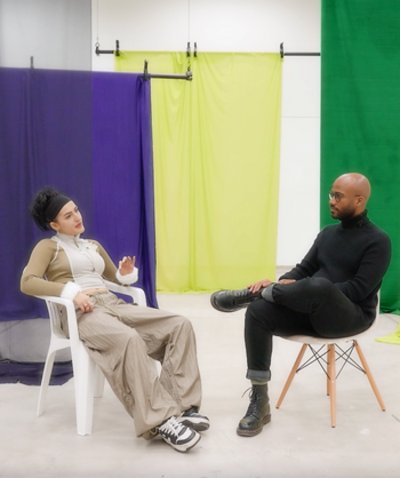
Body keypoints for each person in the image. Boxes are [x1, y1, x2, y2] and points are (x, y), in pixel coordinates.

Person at [21, 187, 209, 453]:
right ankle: (160, 420)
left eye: (76, 210)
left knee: (179, 325)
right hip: (80, 313)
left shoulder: (92, 245)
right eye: (68, 215)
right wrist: (71, 293)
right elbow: (28, 282)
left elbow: (114, 279)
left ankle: (183, 406)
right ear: (55, 224)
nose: (77, 217)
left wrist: (124, 274)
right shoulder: (48, 247)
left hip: (111, 303)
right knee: (129, 339)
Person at [210, 172, 391, 437]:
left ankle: (258, 293)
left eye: (338, 196)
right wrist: (283, 284)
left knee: (320, 286)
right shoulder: (328, 234)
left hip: (349, 317)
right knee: (259, 311)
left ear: (359, 200)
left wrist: (307, 291)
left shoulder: (378, 241)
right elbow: (302, 270)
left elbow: (358, 291)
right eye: (331, 194)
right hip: (312, 309)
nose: (331, 200)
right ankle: (260, 401)